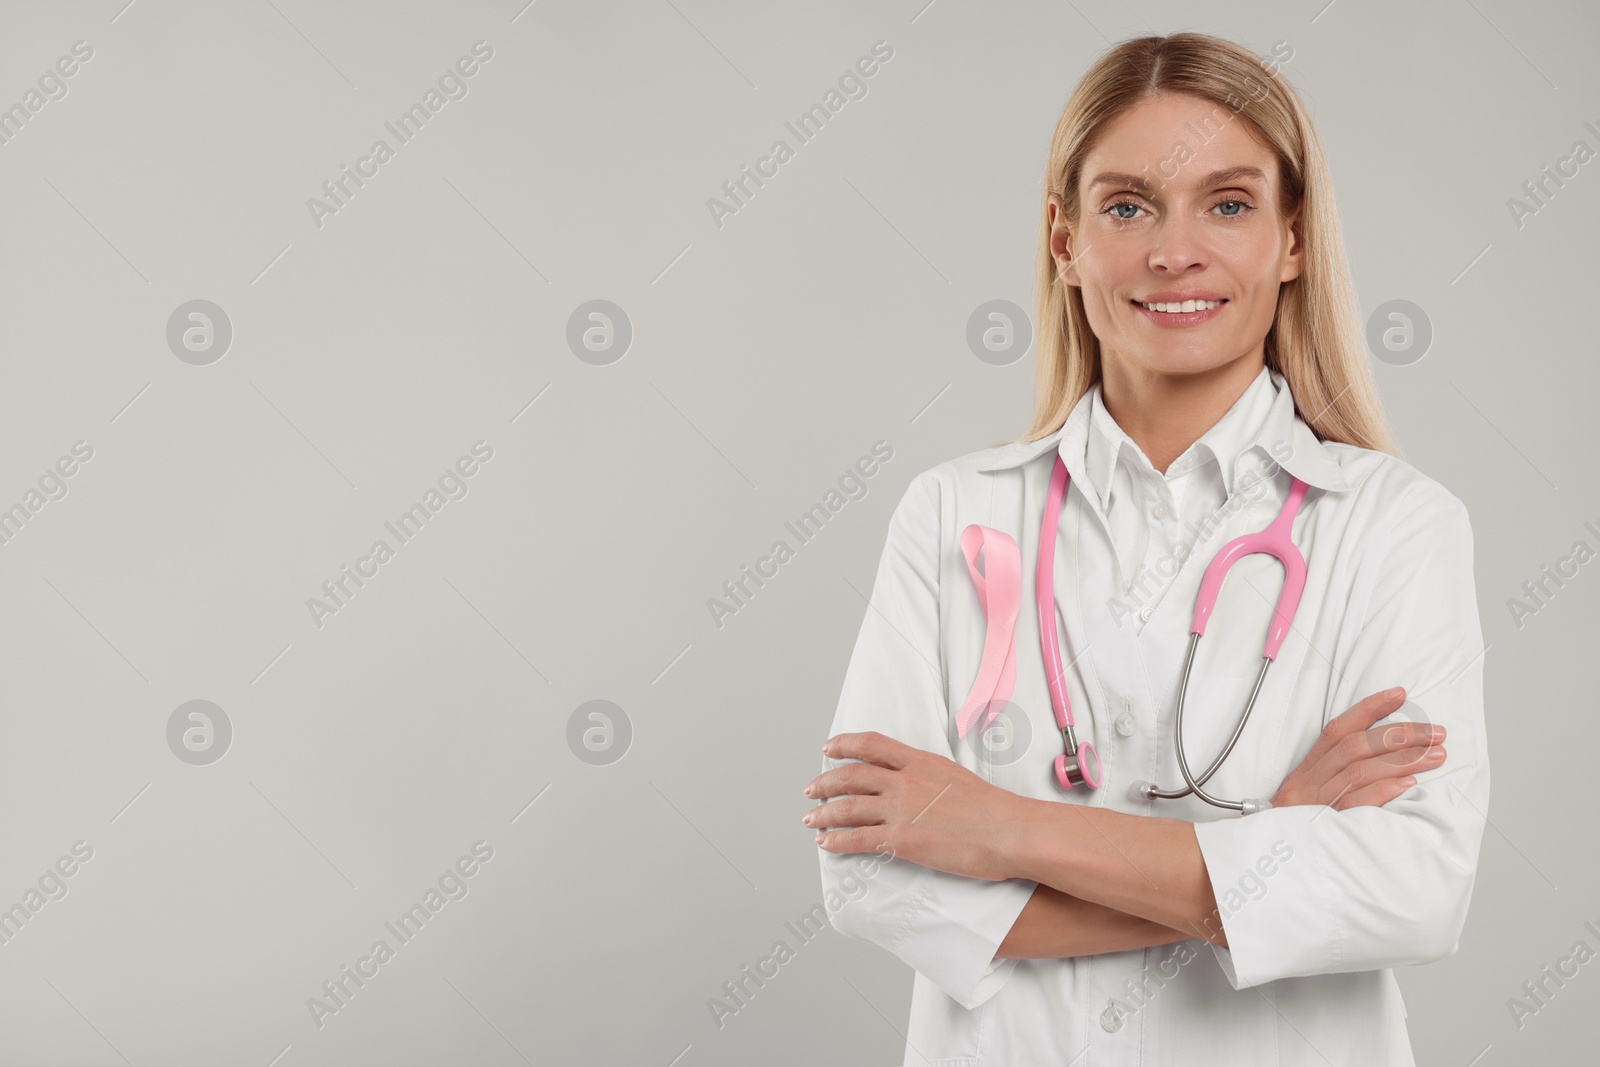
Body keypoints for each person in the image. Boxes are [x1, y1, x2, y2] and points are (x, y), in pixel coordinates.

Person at [801, 31, 1488, 1067]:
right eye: (1126, 205)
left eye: (1227, 203)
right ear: (1064, 239)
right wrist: (1269, 841)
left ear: (1291, 238)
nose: (1174, 251)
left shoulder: (1392, 523)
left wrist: (999, 830)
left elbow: (1413, 889)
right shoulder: (951, 513)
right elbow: (865, 878)